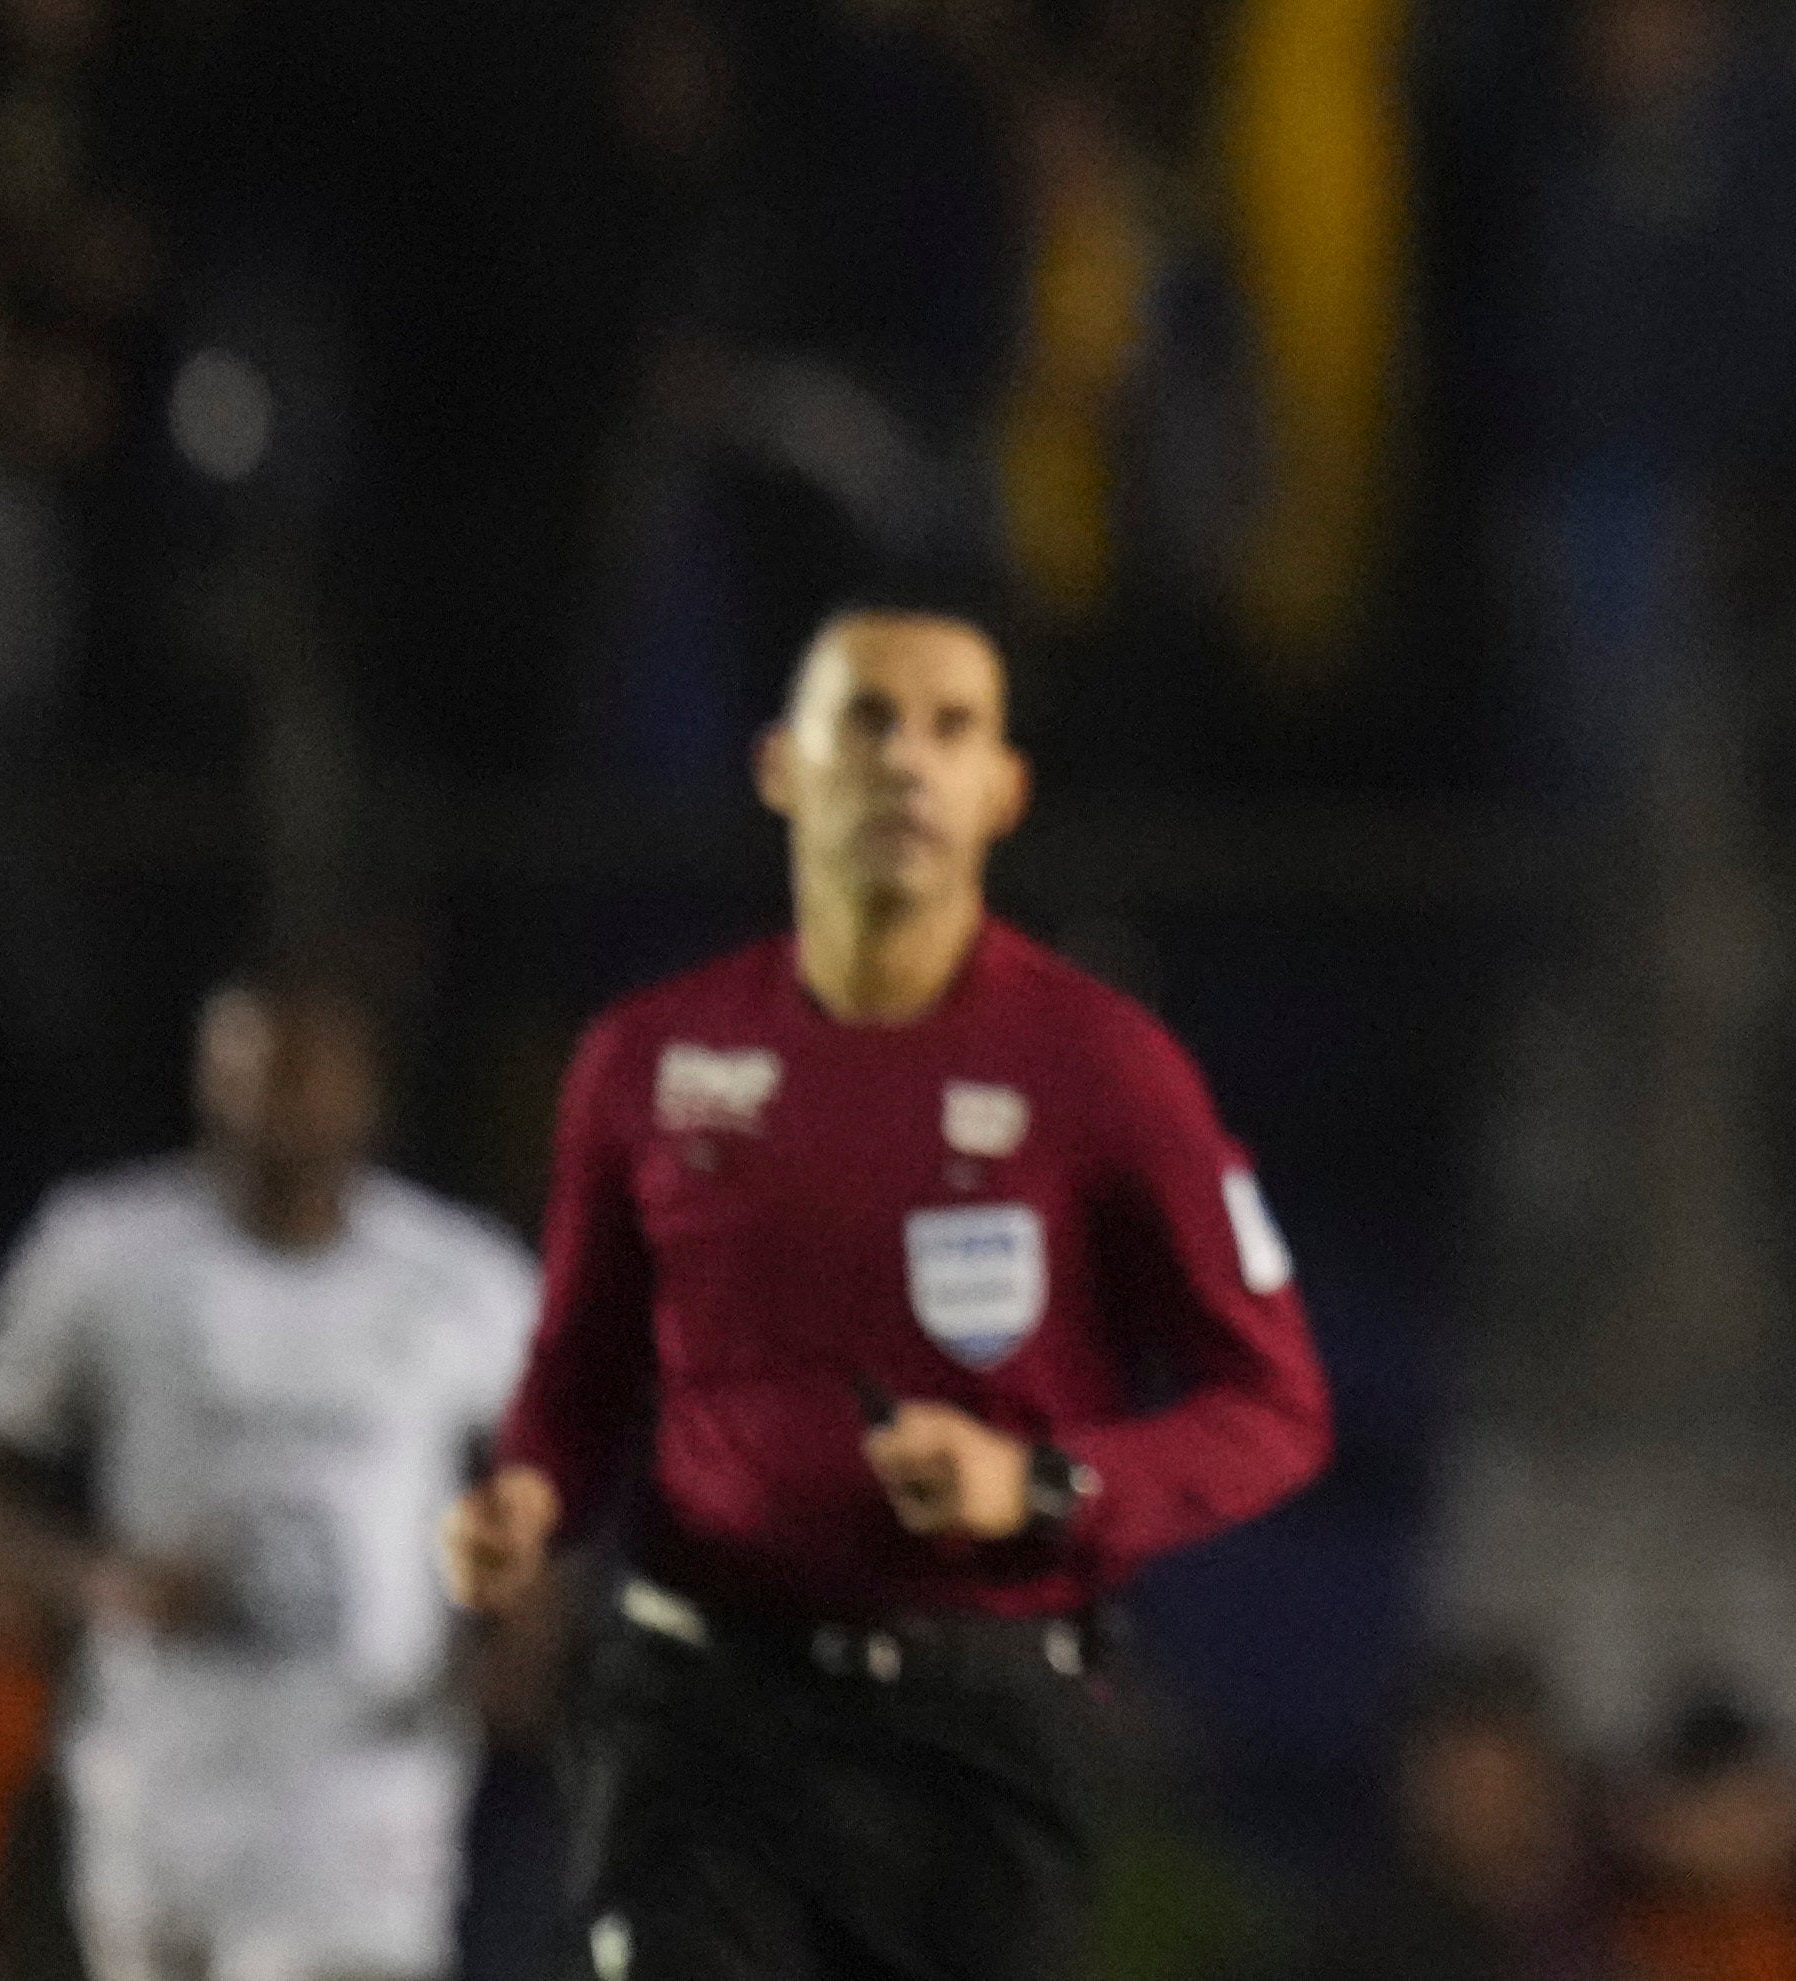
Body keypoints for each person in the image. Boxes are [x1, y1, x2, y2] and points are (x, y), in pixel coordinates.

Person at [441, 603, 1337, 1981]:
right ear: (779, 765)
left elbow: (1275, 1405)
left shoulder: (1102, 1066)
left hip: (970, 1729)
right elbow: (583, 1365)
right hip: (701, 1713)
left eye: (950, 727)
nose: (907, 762)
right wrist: (532, 1492)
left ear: (1003, 790)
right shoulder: (645, 1058)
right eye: (865, 720)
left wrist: (1036, 1485)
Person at [0, 964, 546, 1981]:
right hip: (162, 1765)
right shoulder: (107, 1250)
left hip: (364, 1771)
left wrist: (520, 1631)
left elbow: (549, 1479)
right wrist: (93, 1578)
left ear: (364, 1090)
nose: (270, 1103)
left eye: (300, 1074)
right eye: (243, 1073)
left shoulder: (459, 1277)